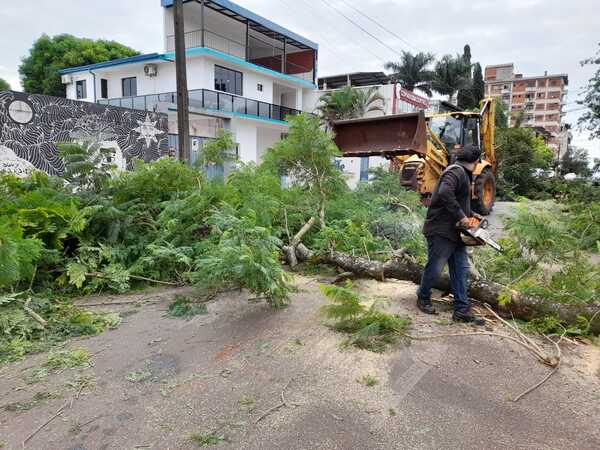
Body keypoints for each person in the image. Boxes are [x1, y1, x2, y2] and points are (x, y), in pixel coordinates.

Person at [416, 144, 485, 325]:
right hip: (440, 230)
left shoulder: (463, 173)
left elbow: (458, 199)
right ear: (476, 161)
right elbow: (445, 192)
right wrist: (462, 217)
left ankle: (461, 310)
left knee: (461, 270)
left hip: (454, 233)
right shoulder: (455, 171)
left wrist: (471, 215)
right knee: (435, 268)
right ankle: (423, 297)